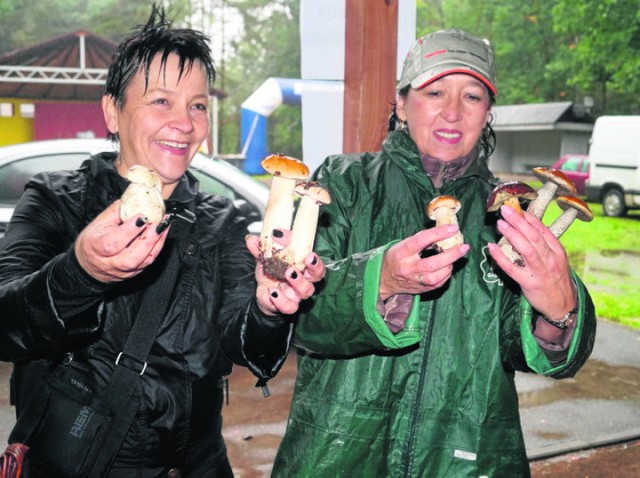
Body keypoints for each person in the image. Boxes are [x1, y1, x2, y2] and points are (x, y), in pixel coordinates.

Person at [0, 6, 324, 477]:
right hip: (68, 462)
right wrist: (81, 272)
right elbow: (6, 324)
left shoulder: (226, 219)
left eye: (197, 105)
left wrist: (270, 310)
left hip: (191, 466)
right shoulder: (56, 199)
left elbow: (247, 346)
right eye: (160, 102)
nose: (185, 123)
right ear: (113, 110)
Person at [272, 29, 596, 477]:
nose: (452, 111)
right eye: (435, 91)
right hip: (338, 454)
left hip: (467, 458)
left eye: (473, 96)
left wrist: (560, 311)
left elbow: (530, 350)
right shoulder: (342, 183)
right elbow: (301, 319)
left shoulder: (505, 212)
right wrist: (379, 280)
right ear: (402, 105)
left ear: (487, 113)